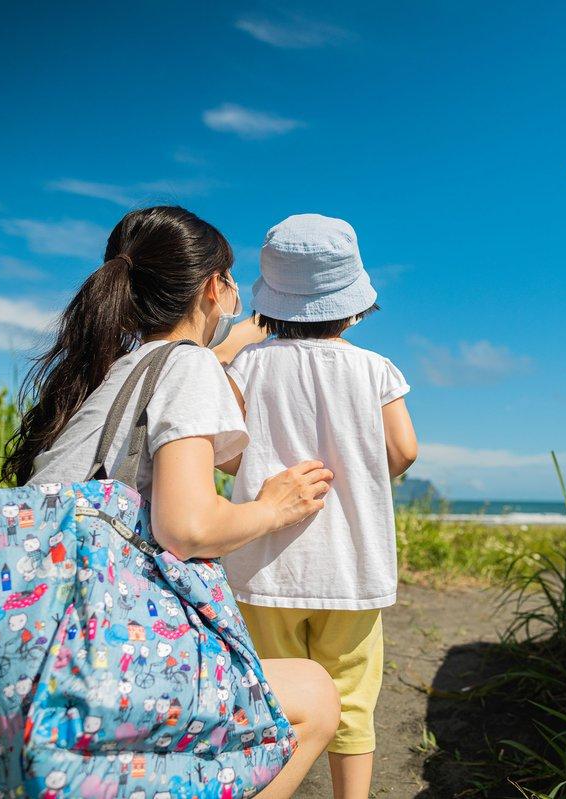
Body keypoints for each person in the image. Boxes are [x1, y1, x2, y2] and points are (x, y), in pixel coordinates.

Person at [0, 206, 340, 799]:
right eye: (231, 282)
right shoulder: (187, 365)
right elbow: (187, 526)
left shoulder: (106, 376)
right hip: (12, 740)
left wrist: (228, 348)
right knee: (314, 693)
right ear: (214, 288)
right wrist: (275, 507)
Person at [219, 213, 418, 799]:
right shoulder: (375, 369)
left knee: (271, 696)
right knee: (352, 700)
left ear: (271, 300)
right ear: (354, 302)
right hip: (353, 566)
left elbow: (225, 450)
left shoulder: (246, 366)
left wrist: (255, 472)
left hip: (263, 568)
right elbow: (404, 450)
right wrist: (359, 473)